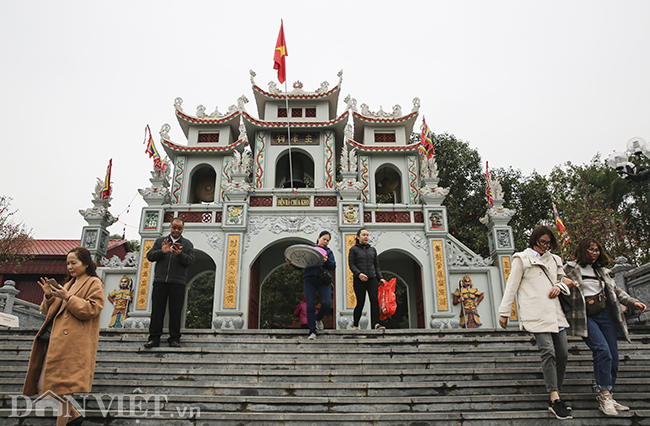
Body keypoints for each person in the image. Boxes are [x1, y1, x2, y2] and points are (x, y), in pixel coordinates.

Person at [563, 238, 647, 416]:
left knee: (614, 357)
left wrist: (633, 302)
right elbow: (560, 287)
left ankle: (608, 393)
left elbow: (616, 291)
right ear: (582, 250)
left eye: (597, 250)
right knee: (602, 351)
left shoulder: (600, 271)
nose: (594, 253)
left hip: (605, 314)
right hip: (585, 315)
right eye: (591, 249)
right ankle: (604, 395)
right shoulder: (569, 269)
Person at [23, 246, 105, 426]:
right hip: (56, 342)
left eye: (73, 263)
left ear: (85, 264)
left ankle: (64, 423)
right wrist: (48, 296)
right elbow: (47, 312)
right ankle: (74, 417)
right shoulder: (67, 284)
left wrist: (68, 298)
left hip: (74, 343)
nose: (69, 266)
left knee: (64, 390)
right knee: (44, 386)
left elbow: (92, 309)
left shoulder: (93, 283)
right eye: (67, 263)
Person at [498, 225, 573, 420]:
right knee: (547, 351)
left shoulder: (555, 260)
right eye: (542, 243)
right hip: (536, 312)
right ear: (534, 240)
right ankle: (555, 398)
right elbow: (511, 286)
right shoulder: (521, 259)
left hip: (555, 312)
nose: (545, 247)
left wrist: (559, 286)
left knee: (563, 353)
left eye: (548, 243)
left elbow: (565, 280)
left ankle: (556, 391)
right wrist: (504, 312)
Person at [145, 217, 196, 348]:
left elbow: (190, 261)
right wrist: (162, 252)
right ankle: (154, 338)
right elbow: (150, 256)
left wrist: (179, 254)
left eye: (179, 228)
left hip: (178, 282)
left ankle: (174, 338)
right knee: (157, 310)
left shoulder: (188, 244)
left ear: (182, 230)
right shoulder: (160, 241)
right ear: (170, 227)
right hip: (160, 281)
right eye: (174, 227)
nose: (176, 230)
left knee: (175, 310)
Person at [349, 228, 387, 330]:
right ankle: (356, 325)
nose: (366, 237)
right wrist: (359, 274)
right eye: (363, 235)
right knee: (360, 302)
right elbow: (351, 265)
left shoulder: (372, 250)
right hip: (359, 280)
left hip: (372, 278)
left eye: (367, 235)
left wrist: (380, 278)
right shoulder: (353, 250)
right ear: (358, 237)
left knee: (374, 301)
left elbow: (376, 266)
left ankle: (376, 324)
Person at [300, 230, 335, 340]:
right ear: (319, 237)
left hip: (323, 280)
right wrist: (291, 261)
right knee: (310, 306)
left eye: (328, 240)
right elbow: (300, 264)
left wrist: (327, 260)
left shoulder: (328, 252)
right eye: (324, 239)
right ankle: (312, 331)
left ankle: (318, 318)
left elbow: (332, 266)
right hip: (309, 280)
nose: (325, 242)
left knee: (327, 303)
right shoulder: (310, 250)